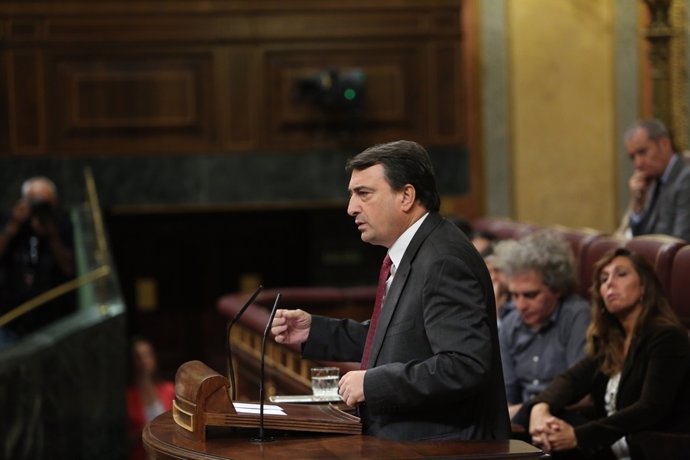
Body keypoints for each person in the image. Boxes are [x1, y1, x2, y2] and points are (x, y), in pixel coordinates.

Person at [271, 140, 511, 441]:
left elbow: (464, 365)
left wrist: (373, 384)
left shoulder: (443, 260)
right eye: (352, 195)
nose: (351, 208)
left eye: (364, 194)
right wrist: (315, 331)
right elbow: (401, 335)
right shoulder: (419, 250)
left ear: (406, 196)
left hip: (444, 448)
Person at [526, 247, 690, 459]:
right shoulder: (613, 341)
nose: (609, 283)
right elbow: (571, 380)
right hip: (612, 448)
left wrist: (578, 436)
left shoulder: (667, 337)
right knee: (548, 425)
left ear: (644, 286)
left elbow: (650, 408)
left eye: (621, 274)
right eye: (603, 279)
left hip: (652, 449)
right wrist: (540, 408)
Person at [493, 231, 591, 422]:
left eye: (530, 295)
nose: (521, 305)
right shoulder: (509, 323)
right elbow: (505, 397)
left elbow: (583, 394)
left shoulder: (577, 315)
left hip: (563, 420)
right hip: (520, 425)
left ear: (558, 288)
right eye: (514, 295)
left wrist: (533, 410)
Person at [0, 176, 75, 341]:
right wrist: (14, 225)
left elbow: (69, 268)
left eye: (46, 204)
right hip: (11, 316)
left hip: (53, 317)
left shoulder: (62, 227)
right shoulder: (12, 223)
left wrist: (52, 235)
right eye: (35, 202)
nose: (40, 208)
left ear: (55, 204)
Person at [624, 118, 690, 242]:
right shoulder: (652, 180)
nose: (637, 164)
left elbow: (682, 244)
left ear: (664, 144)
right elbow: (638, 242)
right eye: (633, 157)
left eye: (642, 152)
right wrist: (638, 204)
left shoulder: (686, 177)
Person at [126, 336, 175, 460]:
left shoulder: (170, 390)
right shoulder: (128, 397)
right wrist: (142, 433)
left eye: (147, 355)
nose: (143, 361)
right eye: (138, 357)